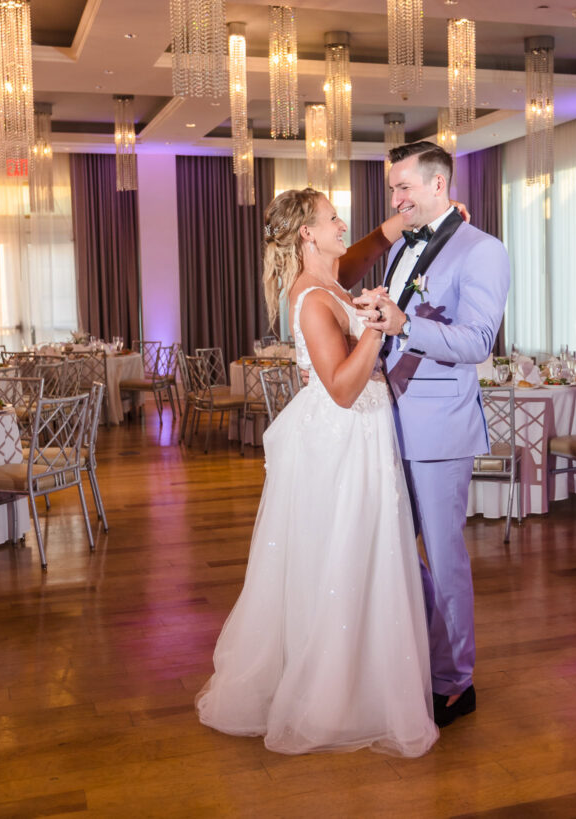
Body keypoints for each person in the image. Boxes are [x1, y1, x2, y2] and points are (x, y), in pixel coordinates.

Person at [195, 188, 439, 756]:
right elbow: (344, 388)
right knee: (343, 556)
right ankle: (331, 697)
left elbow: (364, 249)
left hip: (364, 436)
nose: (341, 224)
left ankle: (361, 684)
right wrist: (378, 324)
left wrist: (407, 218)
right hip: (343, 436)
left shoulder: (331, 278)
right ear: (307, 233)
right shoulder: (310, 298)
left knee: (366, 556)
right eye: (332, 218)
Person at [343, 141, 510, 727]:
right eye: (392, 188)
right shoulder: (400, 249)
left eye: (404, 188)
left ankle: (455, 680)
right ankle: (422, 653)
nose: (396, 199)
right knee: (387, 545)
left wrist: (407, 324)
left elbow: (477, 343)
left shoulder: (483, 251)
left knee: (443, 557)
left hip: (439, 426)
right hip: (385, 419)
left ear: (439, 186)